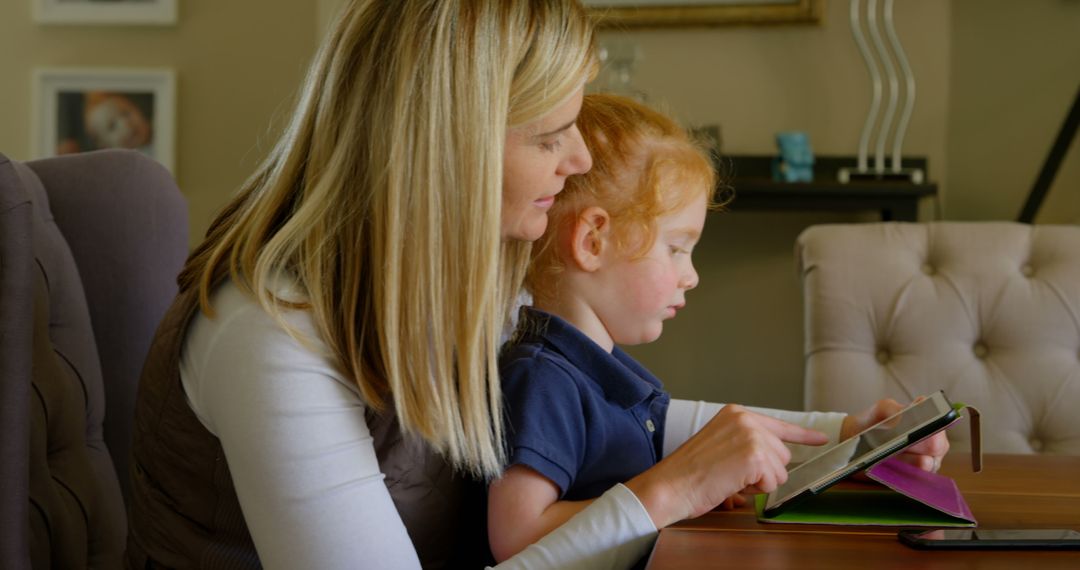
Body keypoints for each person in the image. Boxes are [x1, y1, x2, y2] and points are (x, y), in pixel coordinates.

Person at [126, 1, 948, 569]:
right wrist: (666, 494)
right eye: (553, 135)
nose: (582, 161)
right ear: (452, 150)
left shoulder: (462, 277)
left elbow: (616, 415)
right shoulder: (274, 339)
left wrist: (840, 438)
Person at [488, 94, 949, 562]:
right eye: (675, 248)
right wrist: (677, 491)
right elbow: (517, 537)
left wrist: (852, 435)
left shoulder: (594, 370)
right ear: (593, 241)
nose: (691, 275)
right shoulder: (542, 379)